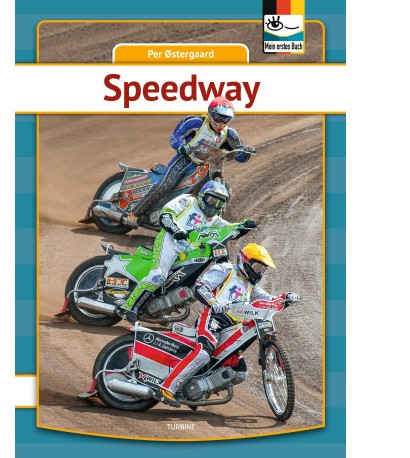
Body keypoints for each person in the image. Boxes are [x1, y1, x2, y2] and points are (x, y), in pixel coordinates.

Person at [155, 243, 300, 407]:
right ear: (245, 261)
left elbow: (268, 300)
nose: (259, 272)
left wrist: (285, 298)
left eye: (262, 269)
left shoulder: (250, 285)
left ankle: (197, 390)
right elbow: (201, 286)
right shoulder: (225, 269)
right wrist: (214, 302)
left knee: (240, 372)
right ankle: (167, 388)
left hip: (233, 327)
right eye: (257, 267)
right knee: (203, 354)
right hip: (214, 318)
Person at [116, 180, 257, 325]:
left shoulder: (214, 219)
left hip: (188, 251)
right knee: (159, 276)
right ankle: (127, 307)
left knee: (188, 283)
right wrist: (175, 230)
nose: (214, 205)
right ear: (202, 195)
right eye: (212, 200)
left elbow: (230, 228)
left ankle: (161, 307)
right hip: (170, 240)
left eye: (219, 203)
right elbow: (166, 214)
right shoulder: (187, 201)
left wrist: (245, 225)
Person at [123, 97, 256, 226]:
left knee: (225, 189)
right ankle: (134, 214)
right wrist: (181, 146)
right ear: (210, 113)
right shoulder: (195, 122)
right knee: (165, 185)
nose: (221, 122)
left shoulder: (230, 133)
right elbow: (175, 137)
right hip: (185, 160)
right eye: (218, 117)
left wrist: (245, 152)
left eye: (226, 119)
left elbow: (240, 157)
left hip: (208, 166)